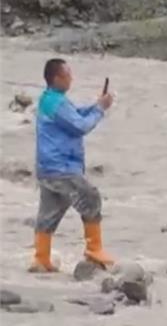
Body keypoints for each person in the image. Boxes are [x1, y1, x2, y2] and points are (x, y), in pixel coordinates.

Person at [30, 59, 115, 273]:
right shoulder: (57, 103)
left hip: (48, 167)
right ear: (57, 78)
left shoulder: (51, 99)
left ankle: (41, 259)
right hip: (62, 167)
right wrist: (100, 111)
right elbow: (79, 126)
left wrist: (96, 106)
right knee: (91, 198)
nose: (71, 79)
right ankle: (94, 250)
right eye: (68, 75)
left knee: (50, 212)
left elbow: (76, 114)